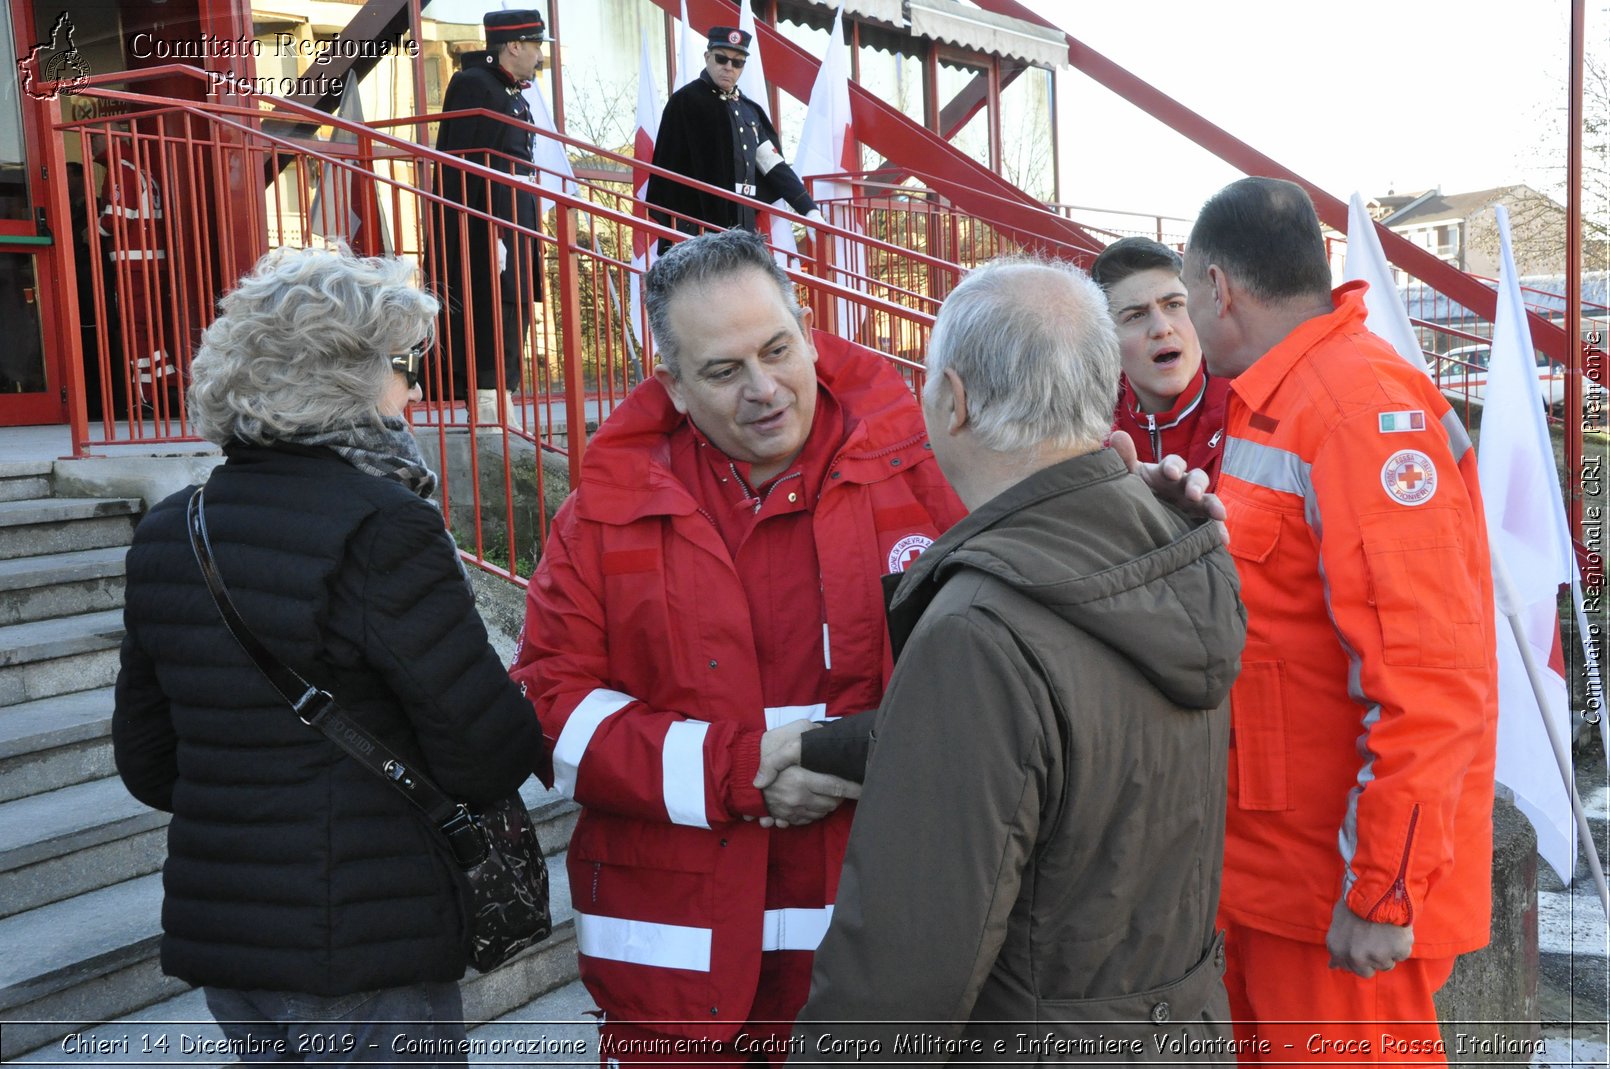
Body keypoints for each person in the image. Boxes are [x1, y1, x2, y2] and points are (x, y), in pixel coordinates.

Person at [510, 228, 966, 1064]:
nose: (764, 389)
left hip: (877, 960)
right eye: (723, 371)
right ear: (674, 389)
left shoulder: (925, 475)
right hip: (671, 982)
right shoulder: (602, 517)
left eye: (778, 349)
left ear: (809, 332)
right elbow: (550, 710)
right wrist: (739, 770)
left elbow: (998, 670)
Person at [787, 258, 1244, 1061]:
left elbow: (896, 980)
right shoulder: (1177, 548)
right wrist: (812, 744)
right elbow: (1073, 745)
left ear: (953, 402)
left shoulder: (981, 628)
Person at [113, 245, 546, 1063]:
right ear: (343, 375)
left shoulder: (172, 530)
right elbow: (488, 751)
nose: (413, 385)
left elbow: (148, 764)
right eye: (401, 363)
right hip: (368, 943)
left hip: (232, 942)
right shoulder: (386, 526)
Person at [1176, 177, 1499, 1062]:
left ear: (1220, 288)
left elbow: (1433, 678)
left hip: (1331, 888)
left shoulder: (1353, 410)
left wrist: (1382, 889)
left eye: (1184, 295)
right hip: (1280, 876)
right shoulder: (1288, 398)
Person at [435, 9, 547, 428]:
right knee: (489, 301)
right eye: (535, 45)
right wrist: (490, 228)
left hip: (516, 208)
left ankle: (504, 395)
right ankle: (485, 400)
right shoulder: (474, 84)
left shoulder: (513, 92)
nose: (539, 55)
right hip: (487, 215)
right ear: (514, 45)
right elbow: (464, 161)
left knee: (515, 302)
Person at [644, 26, 822, 247]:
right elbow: (667, 167)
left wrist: (808, 209)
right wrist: (676, 231)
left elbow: (772, 164)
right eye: (721, 59)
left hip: (741, 226)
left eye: (737, 63)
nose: (729, 67)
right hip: (697, 230)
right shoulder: (686, 101)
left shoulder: (749, 110)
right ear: (707, 57)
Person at [1092, 235, 1229, 487]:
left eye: (1174, 305)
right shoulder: (1084, 435)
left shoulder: (1252, 411)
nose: (1161, 327)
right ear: (1106, 339)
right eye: (1136, 316)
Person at [91, 127, 179, 420]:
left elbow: (116, 217)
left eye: (95, 137)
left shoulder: (120, 168)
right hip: (154, 263)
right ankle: (165, 388)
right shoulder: (143, 170)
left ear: (110, 139)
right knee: (151, 329)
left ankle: (145, 398)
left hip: (133, 265)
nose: (90, 142)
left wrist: (90, 231)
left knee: (134, 330)